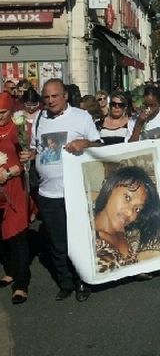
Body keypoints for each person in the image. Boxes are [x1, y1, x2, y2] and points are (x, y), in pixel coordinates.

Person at [20, 78, 101, 301]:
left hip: (74, 192)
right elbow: (37, 148)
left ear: (65, 96)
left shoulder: (81, 117)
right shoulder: (39, 118)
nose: (50, 100)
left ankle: (82, 281)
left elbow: (99, 145)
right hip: (47, 193)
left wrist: (85, 144)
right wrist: (31, 155)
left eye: (54, 96)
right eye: (46, 97)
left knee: (79, 241)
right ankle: (65, 282)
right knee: (57, 242)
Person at [94, 166, 160, 272]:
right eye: (127, 198)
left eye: (137, 209)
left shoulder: (132, 233)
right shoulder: (86, 240)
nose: (129, 213)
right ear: (109, 189)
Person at [0, 93, 30, 304]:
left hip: (14, 187)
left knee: (17, 235)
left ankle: (21, 284)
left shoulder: (17, 130)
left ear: (11, 111)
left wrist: (10, 172)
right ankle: (10, 270)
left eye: (2, 113)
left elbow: (25, 161)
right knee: (1, 235)